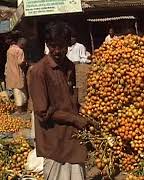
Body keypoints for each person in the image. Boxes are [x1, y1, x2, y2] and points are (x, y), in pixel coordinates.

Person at [29, 21, 98, 180]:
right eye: (53, 46)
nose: (57, 51)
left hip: (72, 137)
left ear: (69, 44)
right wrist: (75, 119)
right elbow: (42, 112)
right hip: (54, 139)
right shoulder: (39, 71)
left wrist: (86, 114)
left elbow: (70, 99)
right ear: (47, 44)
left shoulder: (69, 66)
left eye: (62, 46)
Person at [5, 37, 27, 115]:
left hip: (11, 73)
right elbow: (20, 63)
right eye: (24, 45)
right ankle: (20, 110)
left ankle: (22, 109)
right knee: (19, 92)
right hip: (17, 73)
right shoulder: (20, 51)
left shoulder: (10, 49)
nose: (25, 47)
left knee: (16, 90)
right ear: (22, 44)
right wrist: (25, 63)